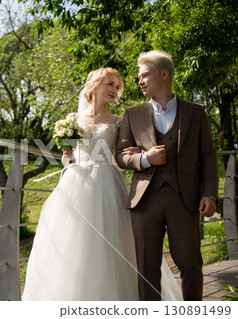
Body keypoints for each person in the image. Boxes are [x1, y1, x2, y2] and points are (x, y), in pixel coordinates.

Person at [21, 67, 182, 301]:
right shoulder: (72, 120)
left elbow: (119, 158)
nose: (115, 90)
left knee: (113, 242)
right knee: (72, 245)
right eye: (110, 84)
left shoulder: (119, 121)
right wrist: (68, 158)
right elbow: (68, 157)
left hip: (107, 184)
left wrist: (137, 153)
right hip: (75, 185)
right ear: (94, 84)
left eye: (117, 87)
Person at [116, 51, 218, 301]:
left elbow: (207, 156)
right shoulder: (133, 114)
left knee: (190, 264)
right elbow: (119, 156)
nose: (140, 81)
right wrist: (143, 158)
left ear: (164, 74)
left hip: (185, 200)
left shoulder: (196, 112)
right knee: (146, 269)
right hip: (144, 202)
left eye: (144, 75)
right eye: (139, 77)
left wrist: (209, 193)